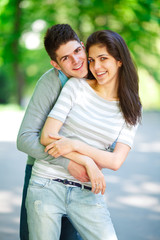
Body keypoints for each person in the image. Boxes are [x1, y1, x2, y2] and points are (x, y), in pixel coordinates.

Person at [25, 30, 142, 240]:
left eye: (103, 59)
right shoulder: (74, 86)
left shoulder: (132, 108)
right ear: (56, 63)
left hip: (87, 190)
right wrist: (88, 161)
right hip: (47, 182)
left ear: (120, 61)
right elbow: (45, 137)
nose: (95, 67)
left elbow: (115, 161)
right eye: (92, 60)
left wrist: (73, 145)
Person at [17, 24, 89, 240]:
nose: (76, 60)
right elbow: (24, 138)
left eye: (77, 51)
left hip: (83, 178)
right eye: (65, 58)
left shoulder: (99, 76)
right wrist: (68, 163)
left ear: (83, 47)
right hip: (43, 174)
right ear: (55, 64)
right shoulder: (50, 83)